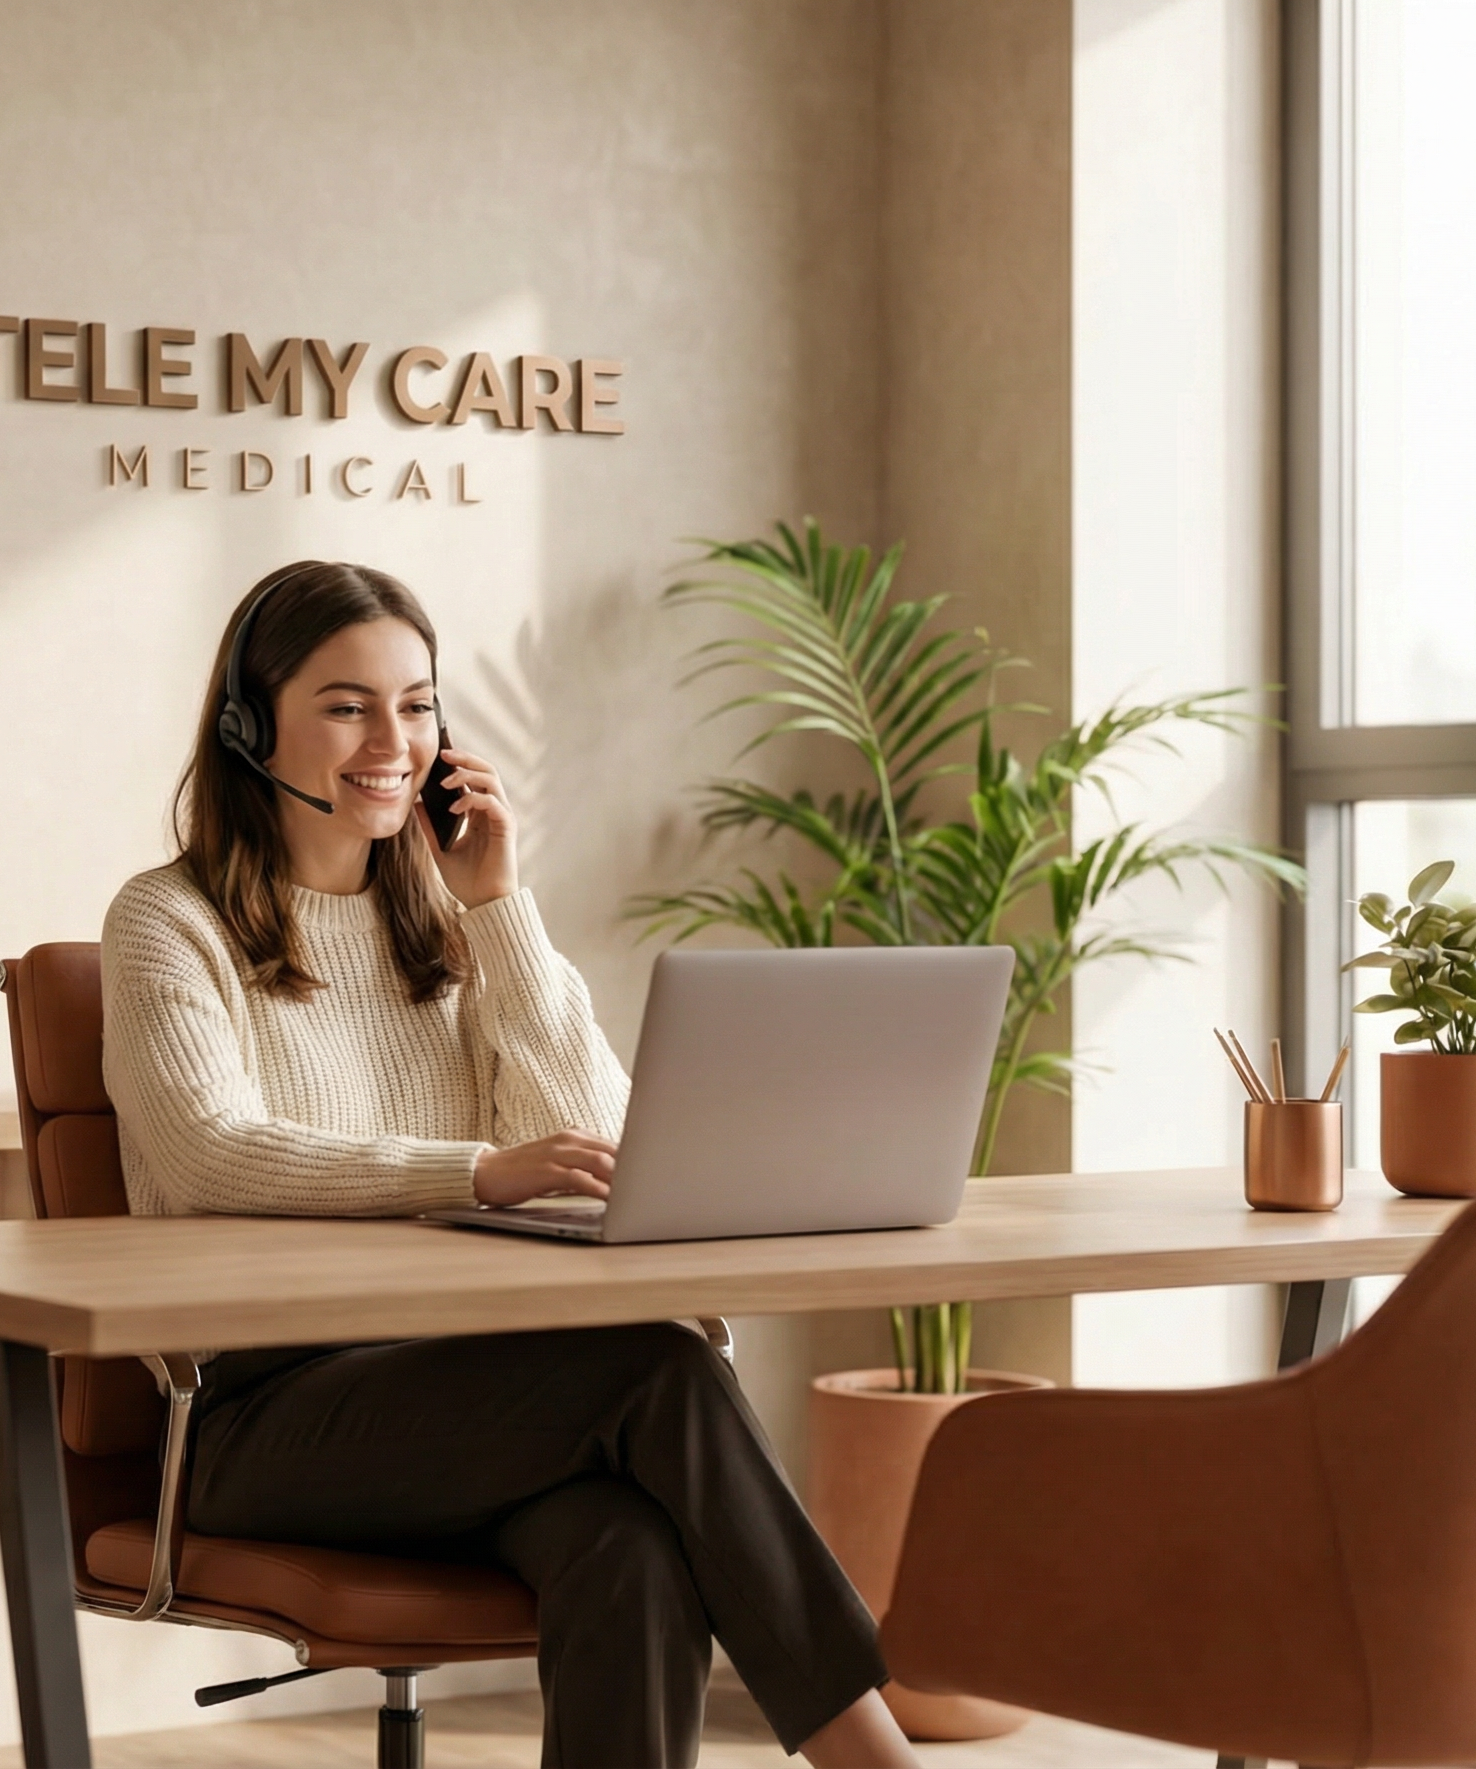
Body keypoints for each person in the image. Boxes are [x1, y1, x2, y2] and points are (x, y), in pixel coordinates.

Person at [99, 560, 919, 1769]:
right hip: (252, 1419)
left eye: (419, 704)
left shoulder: (447, 928)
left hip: (470, 1400)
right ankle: (876, 1758)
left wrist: (500, 911)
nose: (396, 741)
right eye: (346, 705)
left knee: (627, 1549)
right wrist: (476, 1171)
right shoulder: (165, 922)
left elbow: (600, 1145)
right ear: (246, 722)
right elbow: (207, 1147)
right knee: (659, 1366)